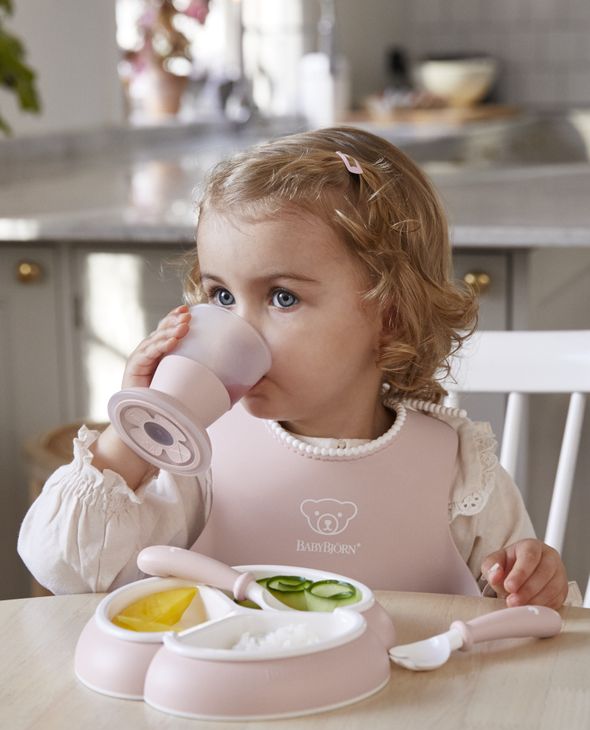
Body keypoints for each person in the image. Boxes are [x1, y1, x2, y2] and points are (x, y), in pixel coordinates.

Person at [18, 126, 571, 609]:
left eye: (282, 298)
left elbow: (522, 613)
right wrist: (134, 436)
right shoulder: (201, 463)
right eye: (221, 296)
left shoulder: (457, 469)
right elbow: (66, 570)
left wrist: (530, 579)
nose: (236, 330)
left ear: (391, 320)